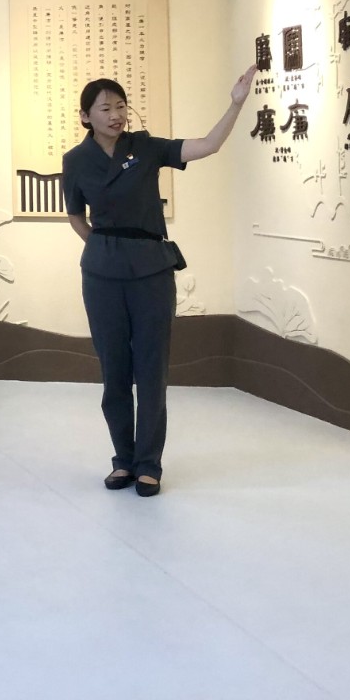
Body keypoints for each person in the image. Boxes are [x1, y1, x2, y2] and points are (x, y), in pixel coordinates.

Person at [61, 68, 256, 498]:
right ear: (86, 116)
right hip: (102, 273)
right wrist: (103, 246)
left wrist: (236, 103)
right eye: (105, 108)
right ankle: (123, 460)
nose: (116, 114)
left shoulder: (145, 147)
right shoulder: (75, 161)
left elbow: (208, 145)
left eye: (120, 106)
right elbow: (75, 215)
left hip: (151, 269)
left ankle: (149, 464)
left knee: (151, 369)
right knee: (114, 370)